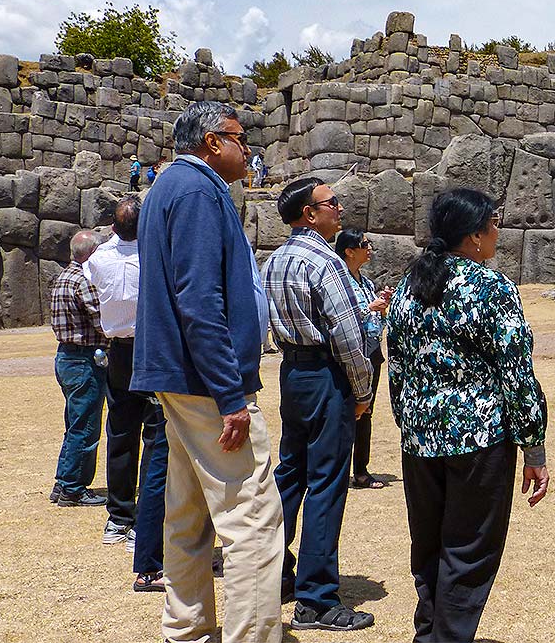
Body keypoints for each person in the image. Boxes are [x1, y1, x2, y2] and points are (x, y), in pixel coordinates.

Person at [132, 100, 284, 643]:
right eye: (241, 139)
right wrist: (230, 393)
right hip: (205, 381)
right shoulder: (197, 191)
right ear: (212, 142)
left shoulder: (168, 189)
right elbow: (199, 299)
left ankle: (189, 627)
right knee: (253, 520)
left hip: (178, 377)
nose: (249, 150)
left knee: (188, 511)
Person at [385, 188, 549, 643]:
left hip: (420, 441)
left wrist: (410, 423)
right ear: (475, 237)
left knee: (430, 547)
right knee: (469, 552)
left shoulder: (408, 288)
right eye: (493, 225)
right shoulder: (492, 288)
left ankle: (429, 634)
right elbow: (516, 374)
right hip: (478, 443)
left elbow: (397, 366)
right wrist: (533, 445)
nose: (498, 233)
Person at [263, 177, 377, 632]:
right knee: (328, 484)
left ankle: (271, 574)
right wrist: (363, 392)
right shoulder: (326, 263)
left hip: (292, 373)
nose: (341, 209)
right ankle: (316, 600)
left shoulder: (273, 261)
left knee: (290, 475)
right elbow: (348, 338)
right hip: (328, 375)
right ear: (309, 214)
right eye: (333, 203)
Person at [83, 194, 169, 592]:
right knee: (155, 433)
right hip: (149, 348)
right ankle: (147, 520)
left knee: (120, 432)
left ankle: (119, 516)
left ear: (113, 227)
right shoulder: (155, 254)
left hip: (117, 349)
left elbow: (90, 283)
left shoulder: (97, 258)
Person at [48, 229, 109, 508]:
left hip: (66, 357)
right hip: (85, 359)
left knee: (74, 423)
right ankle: (74, 488)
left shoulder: (63, 278)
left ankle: (63, 481)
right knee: (85, 426)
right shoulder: (84, 281)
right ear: (92, 254)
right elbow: (102, 321)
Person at [334, 228, 394, 490]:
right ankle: (337, 470)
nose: (369, 248)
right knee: (345, 411)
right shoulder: (338, 282)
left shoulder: (367, 283)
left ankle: (361, 470)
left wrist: (381, 305)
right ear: (349, 250)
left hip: (372, 352)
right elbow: (339, 317)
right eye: (364, 244)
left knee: (366, 410)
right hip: (349, 352)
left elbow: (375, 321)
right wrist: (369, 308)